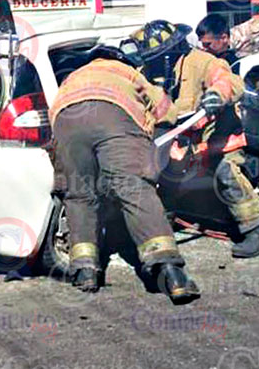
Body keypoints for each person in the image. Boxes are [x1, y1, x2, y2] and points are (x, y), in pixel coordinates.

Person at [50, 43, 200, 304]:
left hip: (66, 120)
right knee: (133, 188)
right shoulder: (126, 72)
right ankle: (171, 273)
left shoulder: (73, 76)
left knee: (79, 195)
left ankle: (85, 271)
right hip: (113, 117)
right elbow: (166, 111)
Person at [128, 20, 259, 258]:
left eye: (157, 57)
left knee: (227, 174)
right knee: (163, 176)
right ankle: (163, 226)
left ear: (173, 50)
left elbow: (229, 81)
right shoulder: (147, 74)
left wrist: (217, 94)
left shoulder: (203, 62)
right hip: (180, 142)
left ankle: (255, 231)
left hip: (218, 138)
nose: (151, 64)